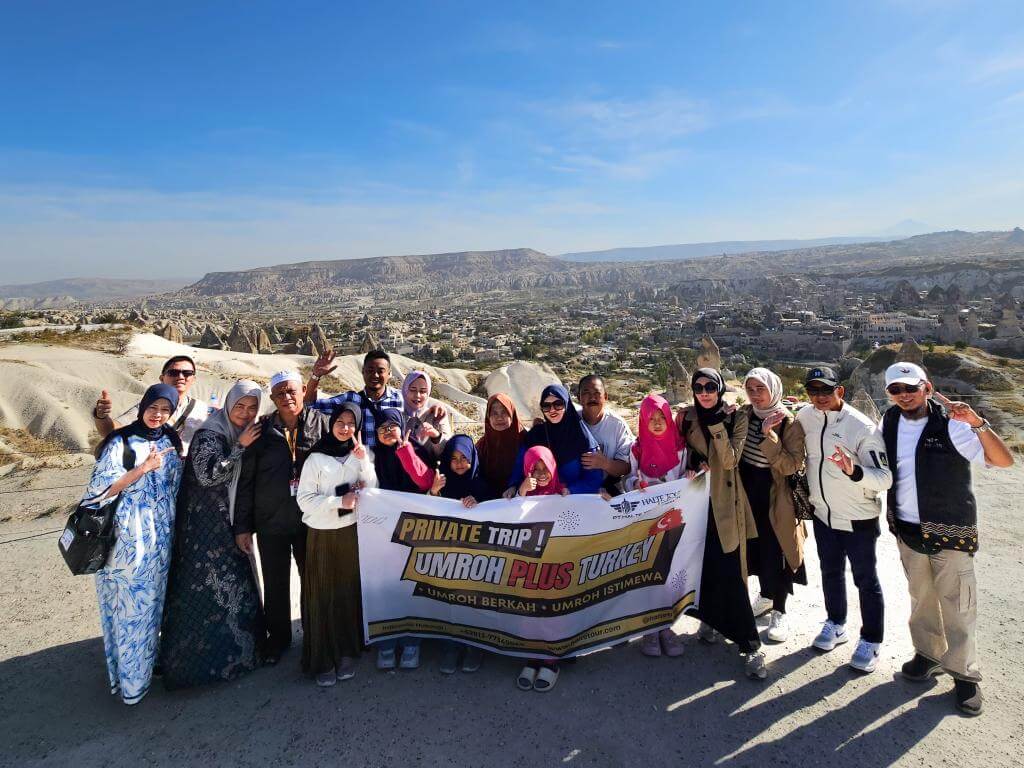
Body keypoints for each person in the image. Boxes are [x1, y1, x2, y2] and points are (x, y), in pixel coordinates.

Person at [880, 362, 1013, 716]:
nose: (904, 396)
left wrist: (978, 424)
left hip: (950, 530)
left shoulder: (952, 424)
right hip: (907, 528)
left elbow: (1002, 460)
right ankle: (928, 654)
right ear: (889, 394)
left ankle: (964, 673)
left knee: (958, 604)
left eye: (911, 388)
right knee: (920, 597)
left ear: (928, 387)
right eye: (896, 390)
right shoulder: (889, 422)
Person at [160, 380, 266, 690]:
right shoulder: (210, 434)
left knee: (234, 588)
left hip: (224, 523)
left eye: (252, 408)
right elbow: (208, 476)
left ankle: (243, 655)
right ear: (228, 405)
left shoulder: (233, 432)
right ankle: (199, 666)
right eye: (240, 406)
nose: (245, 413)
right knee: (207, 592)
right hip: (204, 529)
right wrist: (241, 447)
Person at [86, 383, 184, 705]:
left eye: (165, 410)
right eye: (153, 408)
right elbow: (101, 492)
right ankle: (131, 686)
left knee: (153, 606)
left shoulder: (170, 439)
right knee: (131, 612)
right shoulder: (121, 441)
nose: (158, 415)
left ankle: (147, 669)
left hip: (161, 539)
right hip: (129, 541)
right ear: (142, 406)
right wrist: (142, 469)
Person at [796, 366, 892, 673]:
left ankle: (871, 640)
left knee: (865, 580)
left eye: (826, 390)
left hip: (857, 518)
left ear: (841, 391)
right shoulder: (805, 418)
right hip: (823, 515)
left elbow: (884, 478)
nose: (820, 397)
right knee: (830, 572)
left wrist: (854, 471)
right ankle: (836, 623)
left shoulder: (862, 428)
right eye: (814, 391)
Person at [233, 370, 330, 665]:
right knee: (275, 584)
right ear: (273, 399)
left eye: (292, 391)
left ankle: (315, 633)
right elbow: (246, 482)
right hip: (270, 521)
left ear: (304, 391)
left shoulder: (321, 424)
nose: (287, 398)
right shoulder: (260, 432)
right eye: (280, 394)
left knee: (312, 579)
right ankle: (278, 639)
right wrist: (243, 527)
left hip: (310, 521)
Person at [677, 368, 766, 680]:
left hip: (725, 505)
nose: (704, 392)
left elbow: (729, 460)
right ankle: (711, 622)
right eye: (698, 387)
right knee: (703, 568)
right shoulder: (686, 418)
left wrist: (716, 425)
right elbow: (679, 451)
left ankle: (750, 643)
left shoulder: (734, 418)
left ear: (720, 388)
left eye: (710, 387)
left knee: (732, 572)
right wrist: (691, 463)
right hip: (697, 506)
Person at [297, 402, 378, 687]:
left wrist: (364, 463)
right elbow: (304, 500)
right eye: (340, 422)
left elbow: (372, 489)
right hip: (323, 533)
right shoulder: (316, 458)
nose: (345, 428)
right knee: (323, 596)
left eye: (350, 423)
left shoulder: (358, 455)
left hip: (350, 532)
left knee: (346, 594)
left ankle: (346, 651)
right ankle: (322, 658)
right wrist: (337, 502)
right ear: (331, 424)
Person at [739, 368, 808, 644]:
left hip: (776, 495)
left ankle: (780, 610)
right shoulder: (744, 415)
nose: (756, 394)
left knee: (779, 551)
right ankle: (766, 596)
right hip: (748, 492)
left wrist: (770, 437)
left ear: (774, 390)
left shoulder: (788, 422)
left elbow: (792, 465)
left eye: (761, 389)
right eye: (751, 388)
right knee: (754, 549)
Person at [370, 407, 436, 670]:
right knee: (385, 586)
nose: (387, 432)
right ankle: (387, 642)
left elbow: (424, 482)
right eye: (382, 428)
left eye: (392, 426)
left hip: (414, 531)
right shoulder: (371, 456)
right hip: (381, 532)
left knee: (412, 585)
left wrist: (406, 451)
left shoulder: (418, 450)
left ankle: (412, 641)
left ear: (402, 426)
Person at [624, 394, 688, 658]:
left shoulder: (681, 446)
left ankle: (667, 627)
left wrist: (691, 477)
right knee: (648, 573)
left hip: (673, 521)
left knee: (669, 573)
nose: (659, 423)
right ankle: (650, 628)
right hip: (646, 522)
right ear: (643, 420)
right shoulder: (637, 448)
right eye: (652, 418)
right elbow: (628, 479)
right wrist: (635, 486)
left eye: (663, 416)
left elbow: (686, 476)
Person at [306, 349, 449, 448]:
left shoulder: (400, 398)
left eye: (380, 371)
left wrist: (437, 408)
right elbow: (309, 406)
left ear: (389, 374)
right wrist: (316, 376)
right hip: (362, 468)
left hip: (393, 468)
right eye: (370, 371)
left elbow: (419, 406)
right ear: (362, 372)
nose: (375, 375)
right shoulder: (351, 399)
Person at [433, 434, 491, 675]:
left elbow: (495, 513)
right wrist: (434, 492)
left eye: (464, 458)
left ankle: (474, 646)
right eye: (453, 458)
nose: (458, 463)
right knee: (448, 601)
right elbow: (427, 512)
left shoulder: (481, 484)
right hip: (447, 556)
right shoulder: (442, 483)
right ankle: (451, 646)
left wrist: (479, 502)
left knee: (474, 600)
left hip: (475, 558)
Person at [514, 444, 568, 693]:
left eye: (544, 467)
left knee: (552, 611)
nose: (540, 473)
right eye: (534, 469)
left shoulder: (565, 493)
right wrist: (522, 492)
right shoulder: (520, 494)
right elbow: (511, 517)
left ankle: (551, 661)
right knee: (529, 612)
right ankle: (532, 657)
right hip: (528, 566)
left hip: (556, 567)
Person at [92, 355, 212, 454]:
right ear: (162, 378)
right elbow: (110, 431)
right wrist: (102, 416)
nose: (180, 377)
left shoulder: (203, 408)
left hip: (187, 477)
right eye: (173, 373)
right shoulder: (147, 407)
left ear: (193, 379)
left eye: (187, 373)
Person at [505, 385, 604, 498]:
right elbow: (519, 466)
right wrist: (513, 486)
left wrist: (571, 490)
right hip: (539, 502)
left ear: (567, 405)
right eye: (546, 406)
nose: (552, 410)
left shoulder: (582, 438)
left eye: (558, 404)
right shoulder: (535, 435)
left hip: (572, 502)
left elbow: (593, 480)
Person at [578, 375, 634, 494]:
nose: (592, 397)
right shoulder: (570, 422)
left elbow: (626, 467)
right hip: (575, 488)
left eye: (597, 392)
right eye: (586, 392)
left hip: (609, 487)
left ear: (605, 397)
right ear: (579, 398)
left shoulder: (618, 425)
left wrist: (605, 463)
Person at [476, 393, 525, 499]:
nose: (499, 417)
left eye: (504, 412)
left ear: (512, 414)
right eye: (494, 413)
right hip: (489, 503)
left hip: (520, 498)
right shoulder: (482, 446)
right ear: (488, 417)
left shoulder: (526, 440)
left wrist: (516, 487)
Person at [402, 370, 452, 462]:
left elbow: (449, 451)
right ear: (405, 390)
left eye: (423, 391)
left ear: (428, 393)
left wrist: (436, 436)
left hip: (429, 474)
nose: (417, 395)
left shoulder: (437, 416)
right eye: (412, 390)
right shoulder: (397, 416)